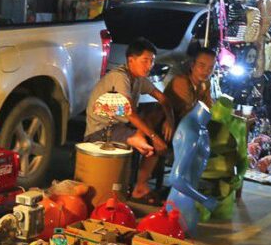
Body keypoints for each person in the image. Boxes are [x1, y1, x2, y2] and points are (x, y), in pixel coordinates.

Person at [85, 38, 175, 202]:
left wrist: (170, 120)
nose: (149, 66)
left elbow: (163, 99)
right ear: (131, 60)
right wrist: (153, 136)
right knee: (149, 139)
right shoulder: (120, 77)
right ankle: (139, 180)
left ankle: (140, 185)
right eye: (145, 60)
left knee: (155, 115)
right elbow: (129, 113)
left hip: (122, 127)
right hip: (102, 131)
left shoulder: (139, 79)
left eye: (152, 61)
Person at [165, 42, 215, 122]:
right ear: (192, 65)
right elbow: (190, 112)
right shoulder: (181, 82)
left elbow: (208, 106)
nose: (206, 71)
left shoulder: (206, 83)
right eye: (202, 65)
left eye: (211, 67)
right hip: (166, 125)